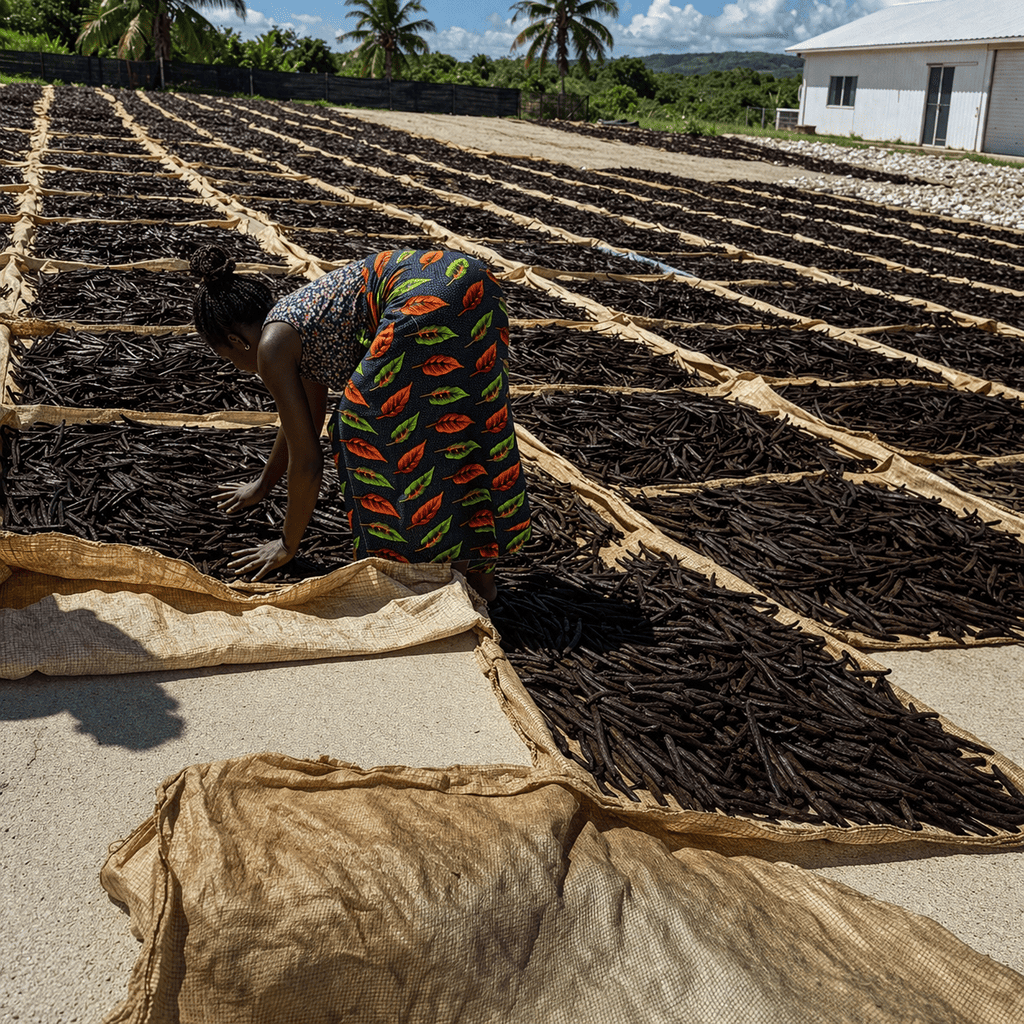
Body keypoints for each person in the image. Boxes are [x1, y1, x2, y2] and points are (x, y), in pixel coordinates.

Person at [190, 244, 531, 602]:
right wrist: (263, 484)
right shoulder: (295, 320)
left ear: (235, 342)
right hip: (471, 277)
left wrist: (287, 544)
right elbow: (303, 423)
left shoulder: (272, 347)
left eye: (226, 357)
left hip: (423, 294)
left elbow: (308, 461)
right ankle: (480, 577)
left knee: (358, 426)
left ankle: (420, 572)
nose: (234, 365)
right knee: (469, 418)